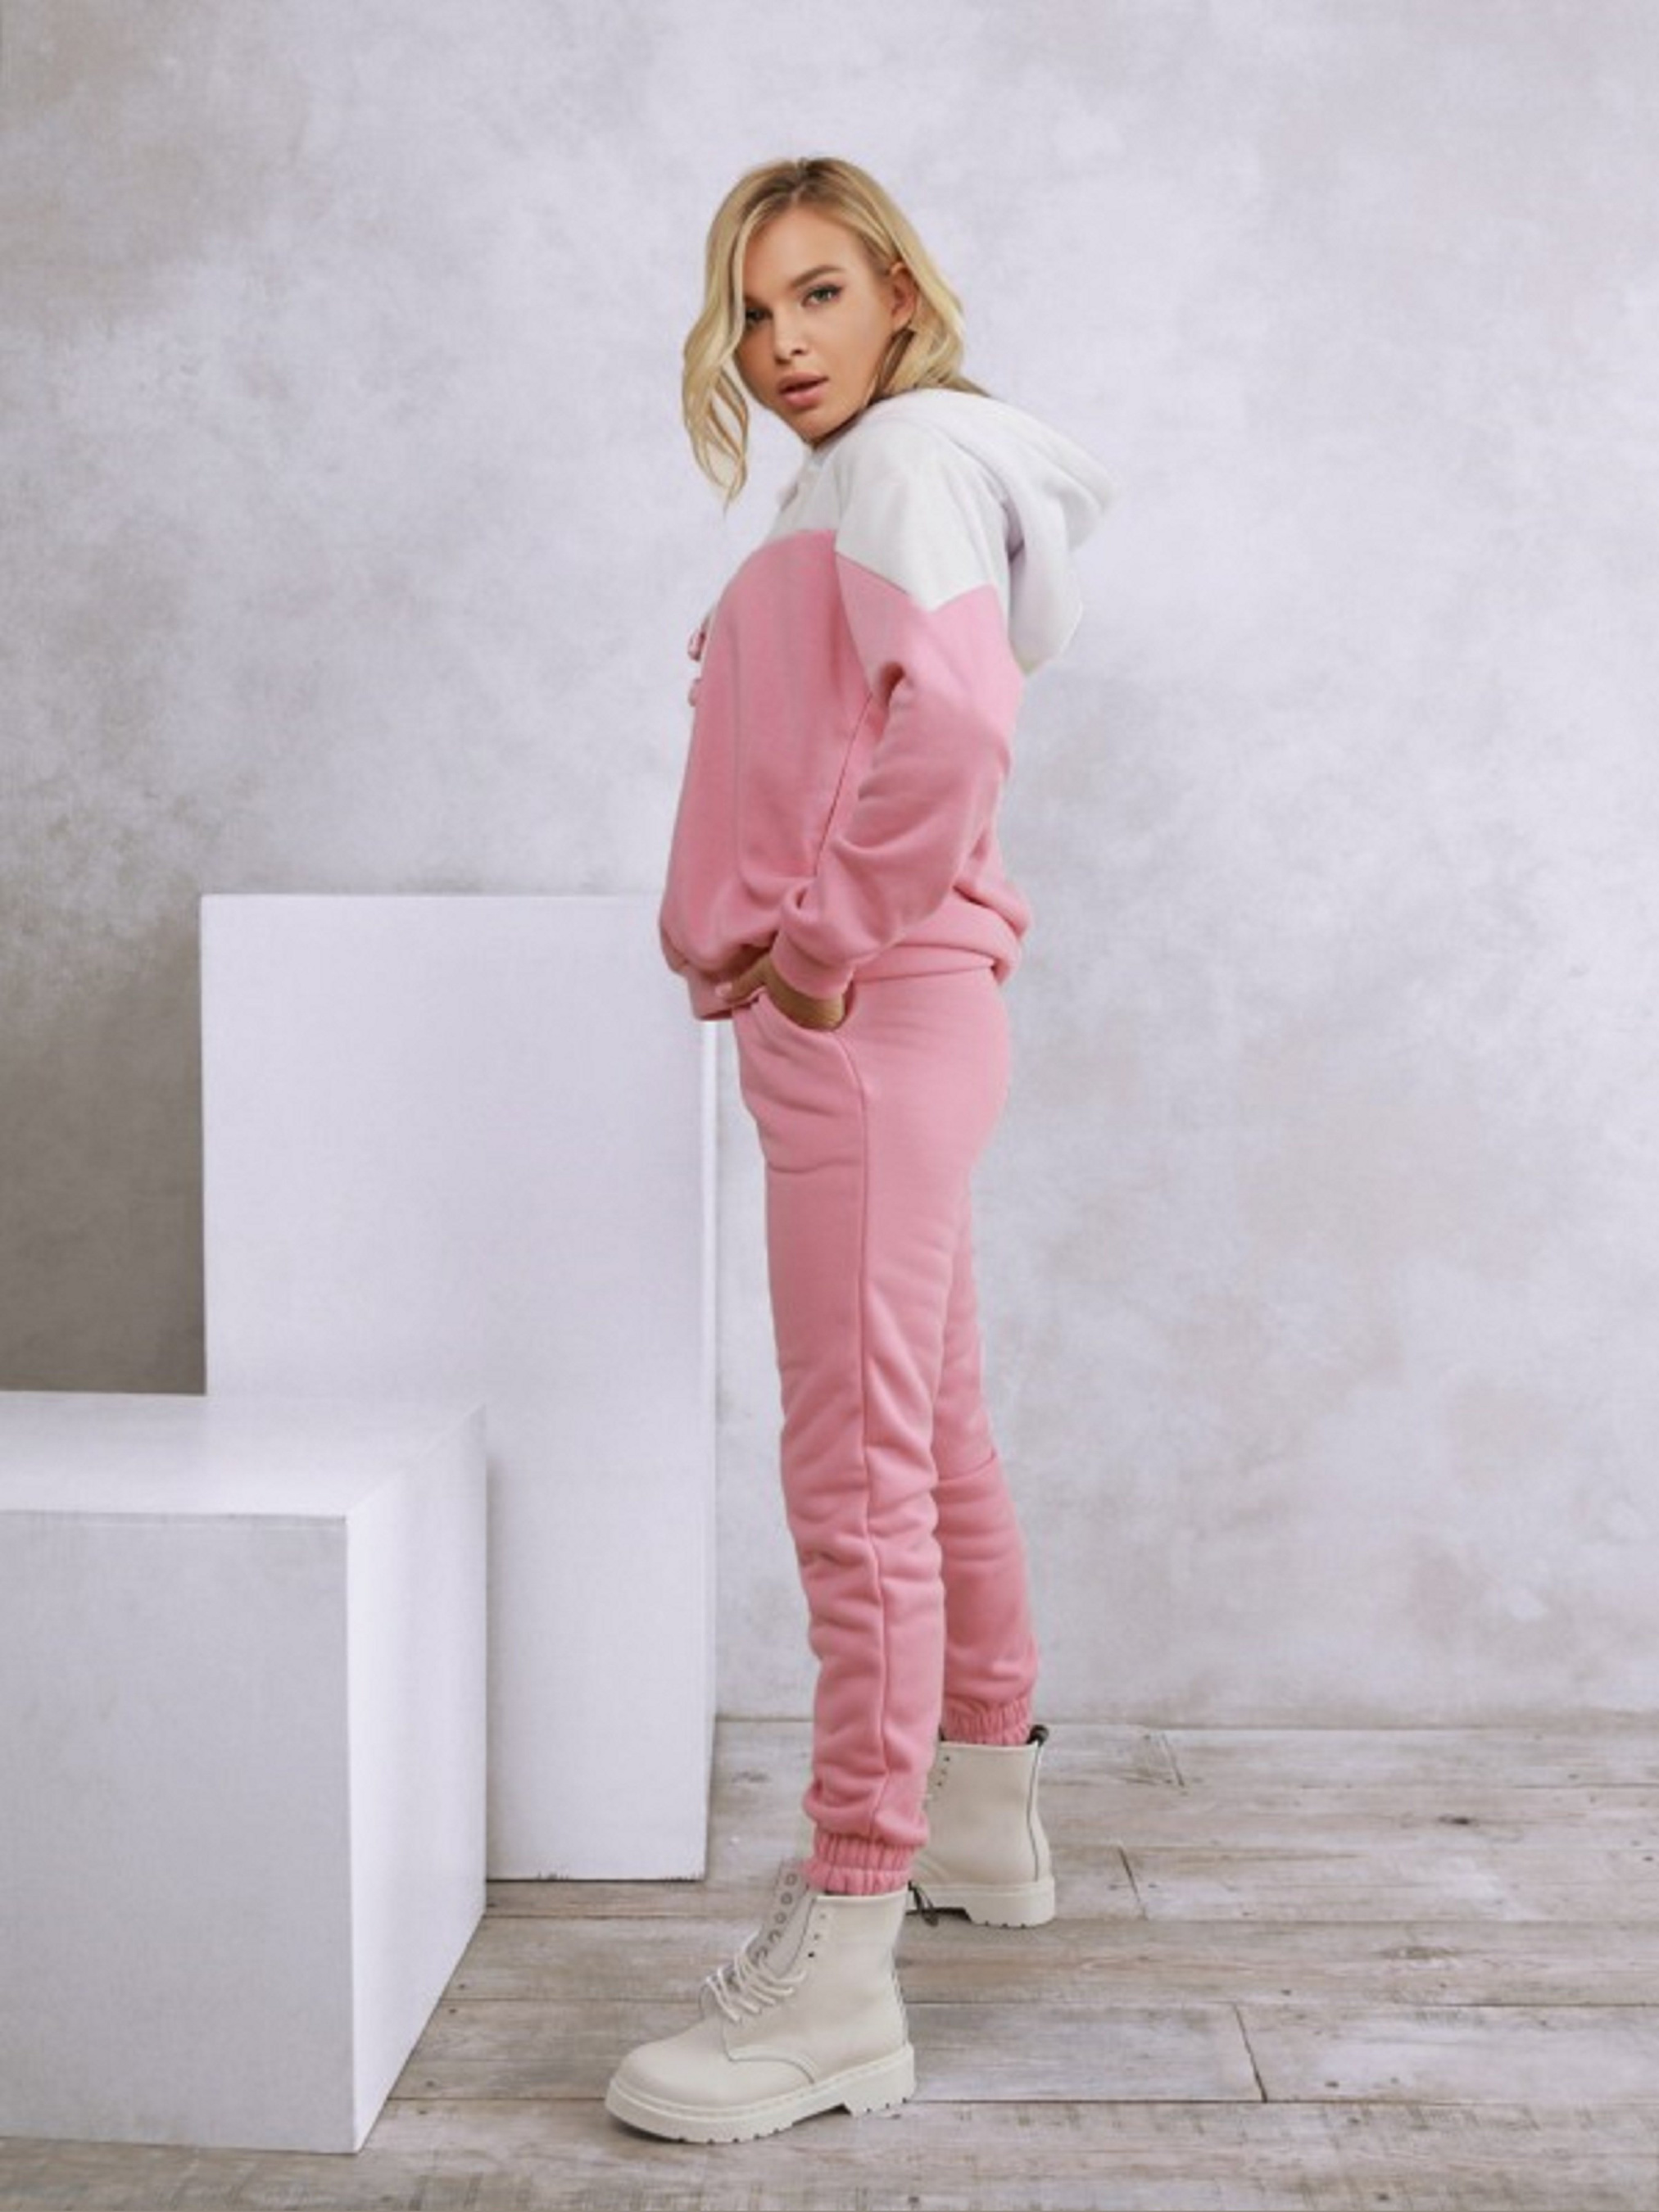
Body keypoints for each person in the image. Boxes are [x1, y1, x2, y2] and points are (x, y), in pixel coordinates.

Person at [605, 154, 1112, 2145]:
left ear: (899, 290)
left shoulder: (896, 466)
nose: (778, 342)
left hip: (866, 1014)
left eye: (817, 292)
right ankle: (980, 1814)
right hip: (908, 1010)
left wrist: (812, 950)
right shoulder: (888, 475)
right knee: (928, 1426)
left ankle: (837, 1969)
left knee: (855, 1474)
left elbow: (954, 729)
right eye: (750, 308)